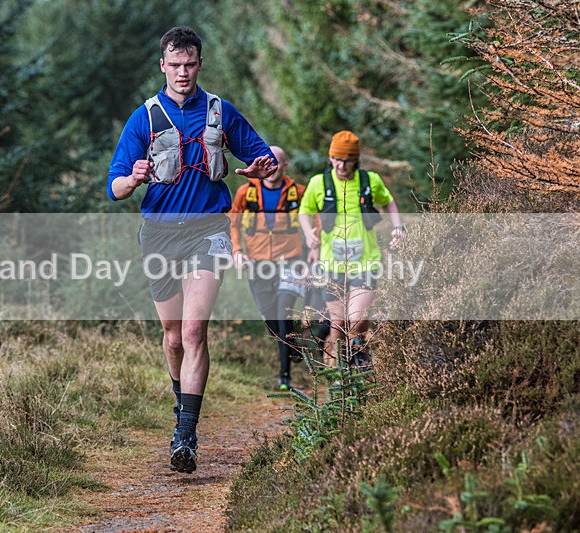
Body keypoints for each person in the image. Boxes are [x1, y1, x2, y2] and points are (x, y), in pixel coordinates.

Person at [107, 26, 277, 474]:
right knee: (172, 337)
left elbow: (268, 157)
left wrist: (262, 168)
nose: (183, 73)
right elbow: (116, 187)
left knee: (194, 330)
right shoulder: (143, 117)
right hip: (159, 234)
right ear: (162, 66)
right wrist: (136, 175)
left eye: (190, 64)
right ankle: (181, 403)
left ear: (200, 64)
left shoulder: (220, 111)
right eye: (174, 65)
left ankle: (186, 434)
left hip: (208, 230)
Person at [298, 130, 404, 369]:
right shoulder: (319, 183)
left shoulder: (369, 181)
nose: (341, 165)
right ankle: (337, 377)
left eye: (346, 160)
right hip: (331, 265)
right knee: (338, 323)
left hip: (365, 262)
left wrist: (398, 227)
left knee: (356, 319)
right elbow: (304, 210)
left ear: (355, 159)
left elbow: (388, 201)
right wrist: (308, 232)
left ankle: (358, 354)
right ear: (330, 157)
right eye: (336, 159)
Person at [229, 145, 307, 391]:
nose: (272, 167)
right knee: (269, 316)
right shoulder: (245, 193)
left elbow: (314, 224)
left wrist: (312, 258)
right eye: (269, 162)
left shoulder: (300, 193)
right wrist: (237, 251)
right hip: (258, 262)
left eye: (278, 162)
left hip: (291, 260)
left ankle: (284, 376)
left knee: (283, 312)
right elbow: (232, 224)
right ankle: (293, 345)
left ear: (285, 166)